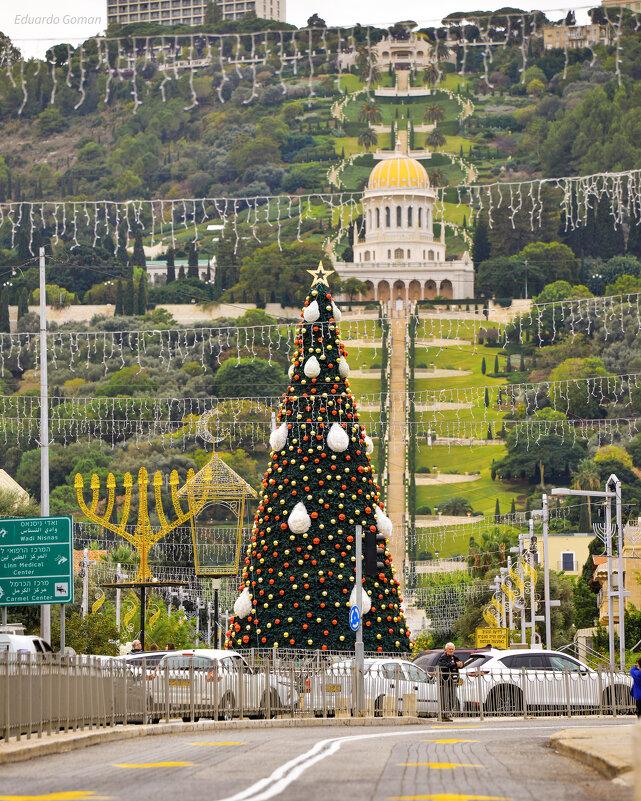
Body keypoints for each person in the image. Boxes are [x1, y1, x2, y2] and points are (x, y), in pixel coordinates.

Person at [437, 642, 463, 721]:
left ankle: (447, 713)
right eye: (449, 649)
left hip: (453, 681)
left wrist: (461, 664)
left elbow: (460, 663)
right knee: (444, 699)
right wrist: (455, 664)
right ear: (446, 649)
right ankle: (443, 715)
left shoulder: (455, 657)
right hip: (445, 681)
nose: (451, 650)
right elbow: (445, 665)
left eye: (452, 649)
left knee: (452, 699)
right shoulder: (443, 657)